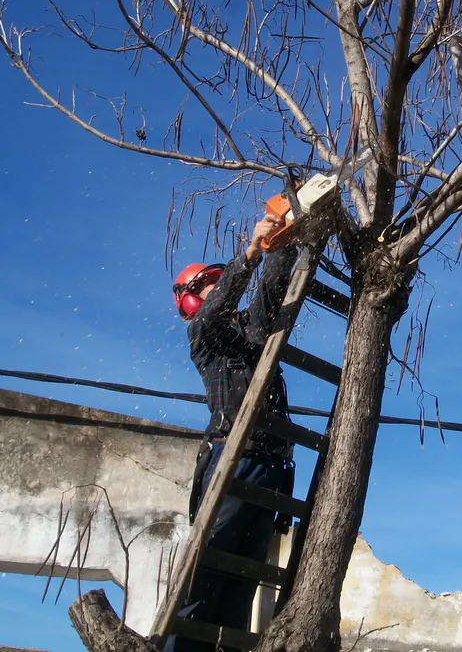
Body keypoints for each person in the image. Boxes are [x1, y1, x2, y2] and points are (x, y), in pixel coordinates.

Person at [166, 213, 299, 650]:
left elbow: (269, 294)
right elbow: (220, 304)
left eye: (219, 281)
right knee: (205, 576)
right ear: (190, 301)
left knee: (244, 584)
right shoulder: (202, 335)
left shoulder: (252, 331)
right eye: (208, 284)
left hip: (272, 467)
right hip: (232, 458)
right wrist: (249, 253)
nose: (218, 288)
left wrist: (283, 243)